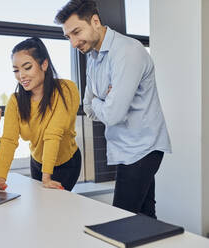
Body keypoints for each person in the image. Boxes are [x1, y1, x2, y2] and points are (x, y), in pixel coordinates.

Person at [55, 0, 172, 218]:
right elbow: (87, 107)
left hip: (142, 148)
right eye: (68, 36)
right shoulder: (93, 57)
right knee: (145, 217)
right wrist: (104, 100)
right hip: (124, 148)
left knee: (121, 219)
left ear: (95, 21)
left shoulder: (127, 52)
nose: (73, 42)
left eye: (76, 32)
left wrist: (100, 102)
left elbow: (113, 114)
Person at [0, 37, 81, 191]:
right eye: (16, 70)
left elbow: (53, 133)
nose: (21, 75)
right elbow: (9, 140)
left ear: (44, 64)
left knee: (57, 207)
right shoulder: (16, 101)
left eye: (27, 67)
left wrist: (46, 177)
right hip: (37, 162)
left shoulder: (65, 89)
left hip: (66, 163)